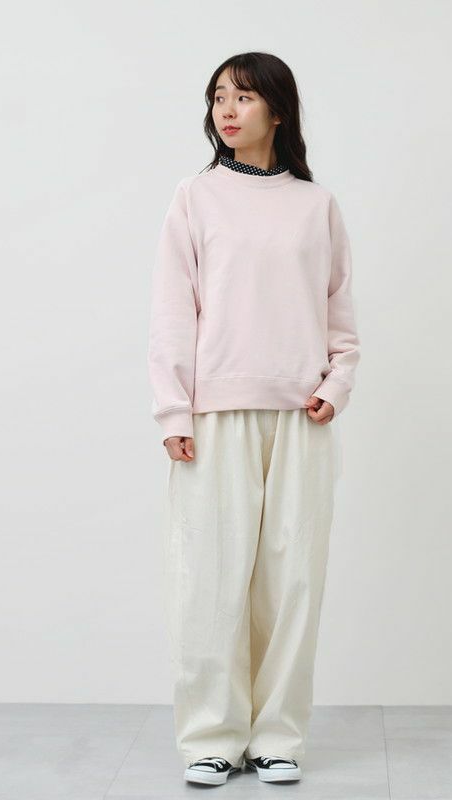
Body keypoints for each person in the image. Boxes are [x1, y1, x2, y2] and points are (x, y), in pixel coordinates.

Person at [147, 51, 361, 786]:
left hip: (302, 415)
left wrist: (338, 382)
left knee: (292, 583)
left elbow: (340, 311)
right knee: (208, 582)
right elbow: (173, 311)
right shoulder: (195, 197)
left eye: (242, 97)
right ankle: (212, 735)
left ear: (278, 108)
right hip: (215, 415)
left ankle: (278, 736)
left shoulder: (316, 204)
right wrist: (173, 408)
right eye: (217, 98)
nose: (227, 111)